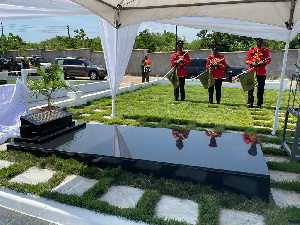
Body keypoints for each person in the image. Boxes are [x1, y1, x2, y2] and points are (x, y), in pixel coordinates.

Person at [245, 38, 271, 108]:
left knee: (260, 89)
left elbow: (268, 59)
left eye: (260, 41)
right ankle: (250, 103)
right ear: (255, 42)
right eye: (257, 41)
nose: (259, 42)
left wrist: (262, 63)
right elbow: (247, 60)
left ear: (262, 41)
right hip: (252, 71)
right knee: (250, 88)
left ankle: (259, 103)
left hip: (261, 72)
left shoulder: (265, 50)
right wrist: (252, 63)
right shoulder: (251, 50)